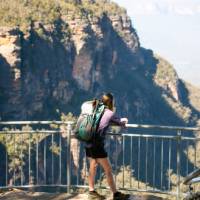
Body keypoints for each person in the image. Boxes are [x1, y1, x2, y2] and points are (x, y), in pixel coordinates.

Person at [86, 93, 130, 200]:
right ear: (111, 102)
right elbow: (121, 123)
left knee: (93, 166)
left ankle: (91, 191)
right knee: (108, 169)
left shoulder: (96, 110)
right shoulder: (109, 113)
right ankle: (116, 194)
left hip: (88, 141)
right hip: (97, 144)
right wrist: (125, 120)